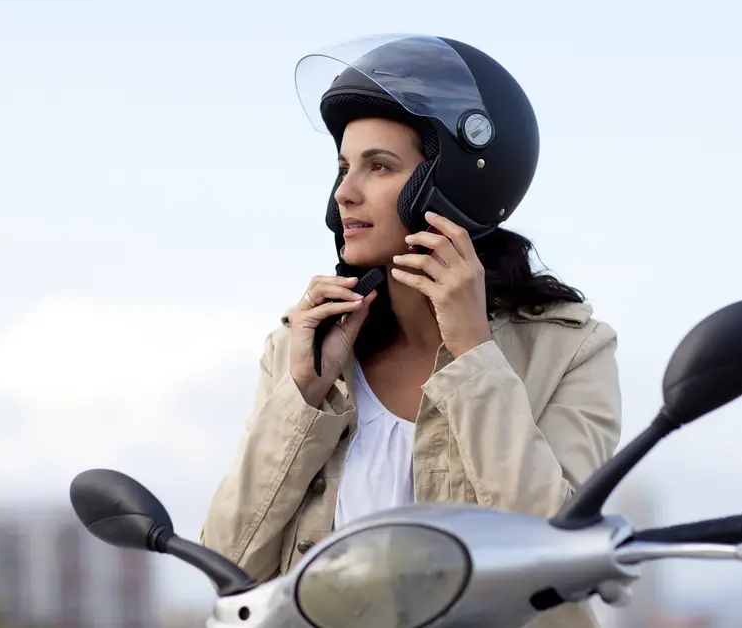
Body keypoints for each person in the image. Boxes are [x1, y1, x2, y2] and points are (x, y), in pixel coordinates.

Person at [201, 34, 623, 628]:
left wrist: (476, 356)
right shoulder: (300, 348)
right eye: (343, 168)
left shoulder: (570, 350)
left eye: (379, 166)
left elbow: (557, 565)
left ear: (458, 184)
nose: (345, 192)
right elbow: (228, 573)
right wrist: (302, 397)